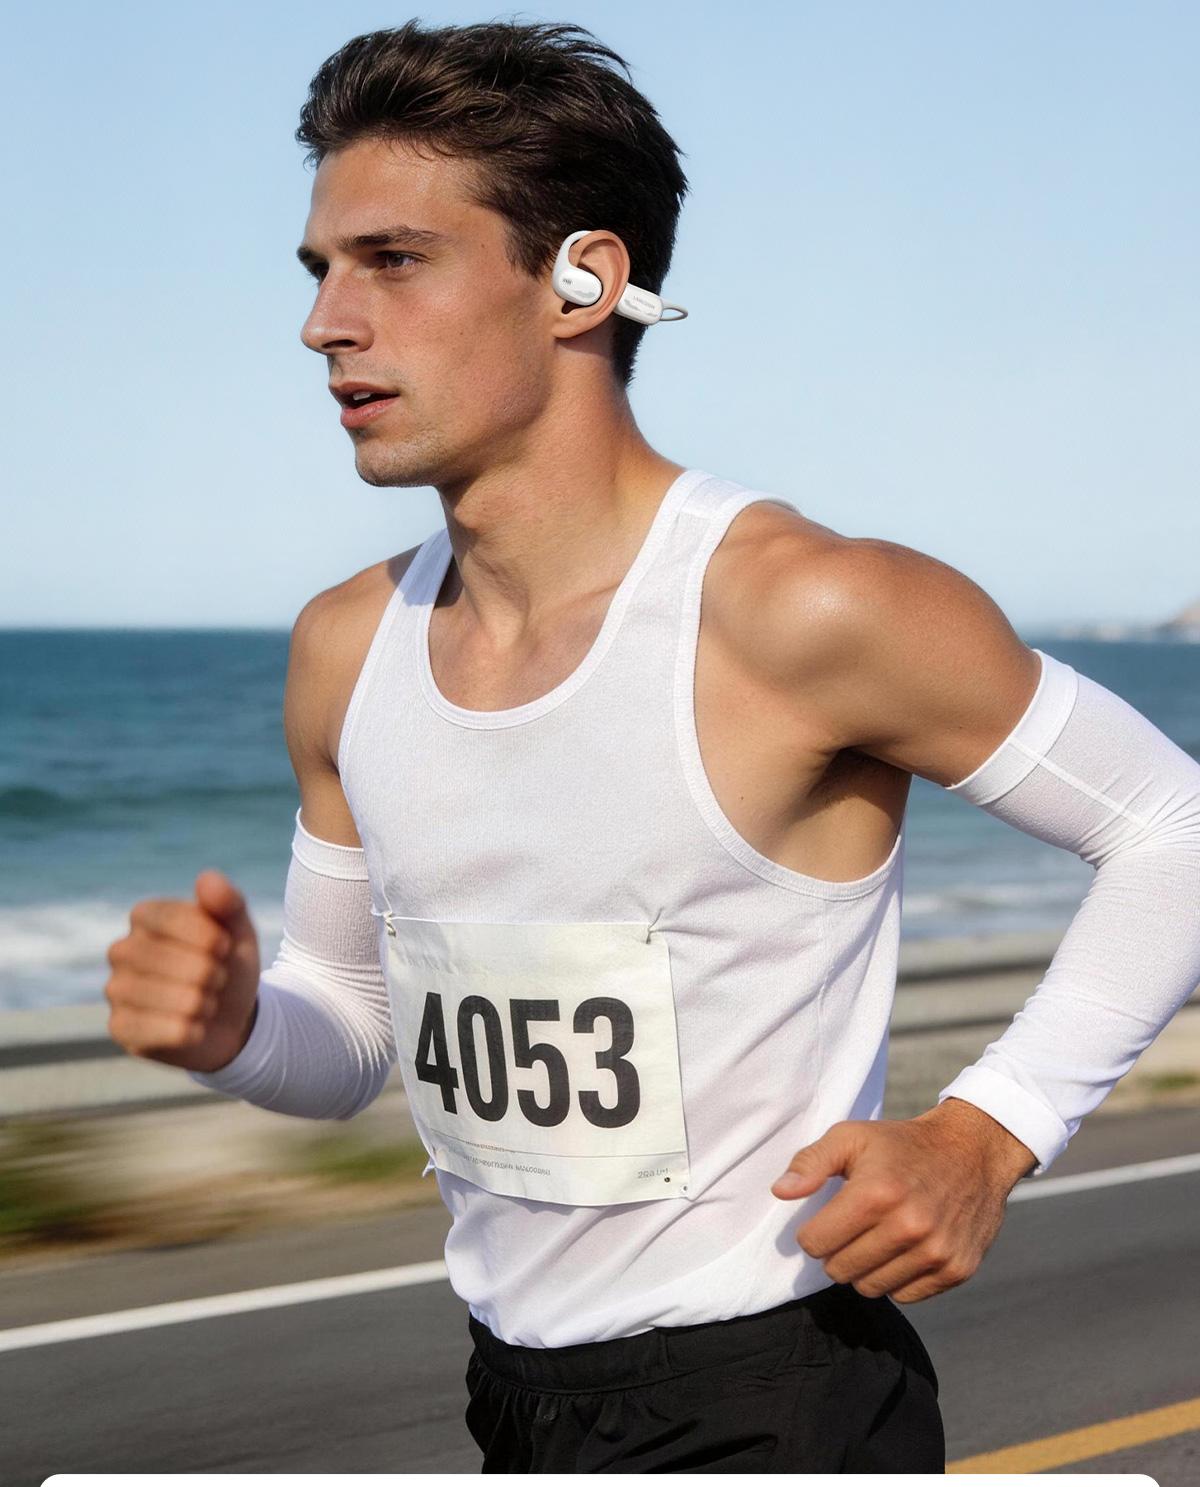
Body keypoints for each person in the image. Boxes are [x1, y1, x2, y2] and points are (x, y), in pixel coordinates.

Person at [104, 20, 1200, 1474]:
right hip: (512, 1398)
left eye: (395, 260)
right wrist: (237, 1032)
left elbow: (1173, 829)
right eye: (319, 270)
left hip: (779, 1395)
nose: (326, 323)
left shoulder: (801, 609)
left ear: (584, 279)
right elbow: (353, 1033)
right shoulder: (345, 649)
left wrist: (988, 1132)